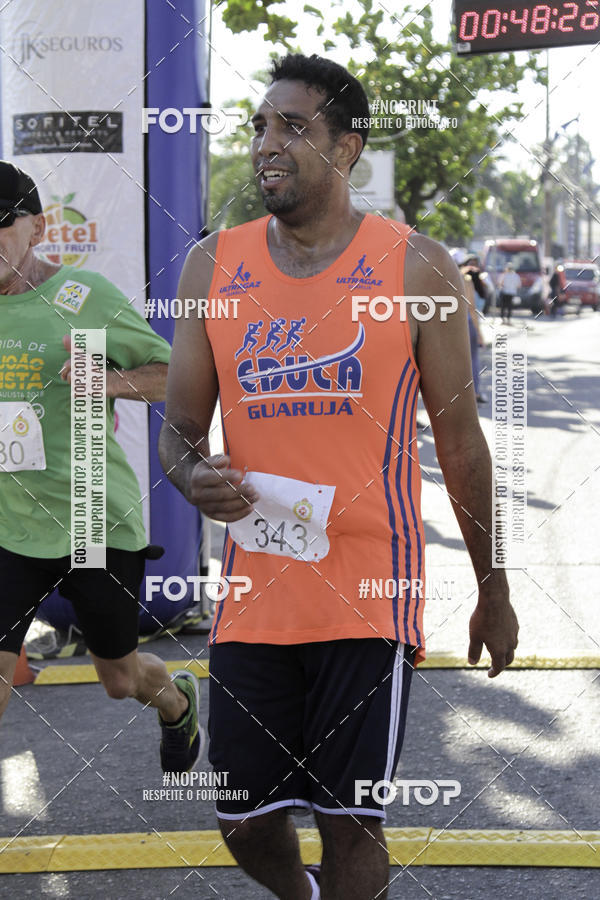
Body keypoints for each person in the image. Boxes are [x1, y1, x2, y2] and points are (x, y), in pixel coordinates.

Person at [159, 54, 518, 900]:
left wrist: (493, 587)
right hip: (255, 596)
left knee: (352, 822)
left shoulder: (416, 267)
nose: (267, 143)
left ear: (347, 148)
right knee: (243, 821)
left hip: (369, 592)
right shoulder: (213, 266)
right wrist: (190, 475)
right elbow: (178, 433)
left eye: (293, 126)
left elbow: (462, 447)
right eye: (260, 125)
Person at [0, 161, 201, 773]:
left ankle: (175, 700)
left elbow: (174, 376)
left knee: (118, 678)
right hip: (10, 525)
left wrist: (108, 382)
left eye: (0, 224)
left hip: (92, 516)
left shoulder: (84, 297)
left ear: (36, 229)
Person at [459, 260, 487, 404]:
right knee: (473, 360)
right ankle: (474, 393)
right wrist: (480, 334)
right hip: (468, 324)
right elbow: (471, 308)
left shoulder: (447, 278)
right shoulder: (467, 281)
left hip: (452, 325)